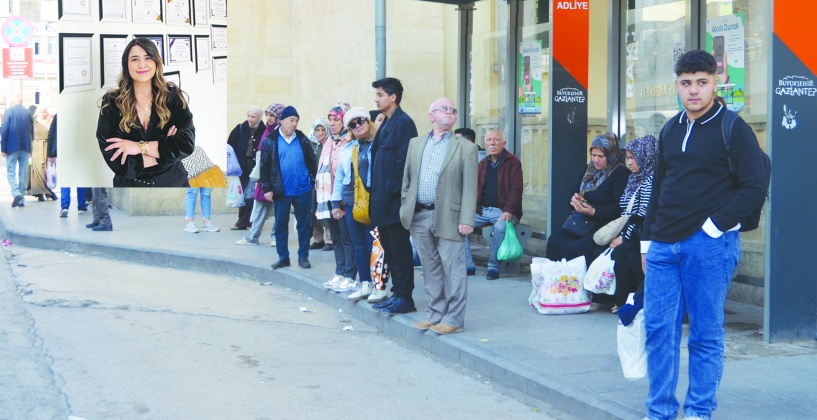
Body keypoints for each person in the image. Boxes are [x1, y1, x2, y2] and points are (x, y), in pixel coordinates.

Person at [640, 50, 767, 420]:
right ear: (676, 85)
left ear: (715, 82)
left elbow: (754, 186)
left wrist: (714, 226)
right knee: (659, 331)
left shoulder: (733, 128)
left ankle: (698, 412)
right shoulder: (670, 128)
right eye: (686, 83)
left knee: (705, 335)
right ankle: (660, 412)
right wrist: (648, 243)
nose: (693, 90)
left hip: (708, 246)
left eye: (701, 82)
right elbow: (658, 187)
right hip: (664, 246)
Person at [400, 98, 477, 334]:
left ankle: (454, 319)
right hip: (420, 215)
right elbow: (407, 180)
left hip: (450, 216)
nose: (451, 113)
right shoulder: (415, 144)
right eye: (445, 109)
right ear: (431, 115)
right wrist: (406, 207)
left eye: (454, 110)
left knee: (453, 268)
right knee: (430, 267)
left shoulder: (465, 147)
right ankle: (435, 315)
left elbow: (470, 187)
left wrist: (466, 219)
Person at [96, 38, 194, 187]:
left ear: (156, 62)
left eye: (148, 58)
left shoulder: (172, 97)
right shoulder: (112, 103)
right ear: (126, 65)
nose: (142, 64)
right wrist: (165, 152)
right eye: (135, 59)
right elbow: (118, 163)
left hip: (174, 183)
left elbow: (186, 144)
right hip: (130, 187)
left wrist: (139, 147)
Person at [368, 77, 419, 315]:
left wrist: (392, 190)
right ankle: (397, 293)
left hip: (394, 201)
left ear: (393, 97)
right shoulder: (386, 123)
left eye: (379, 94)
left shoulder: (404, 123)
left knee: (400, 249)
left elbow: (404, 162)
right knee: (389, 248)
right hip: (381, 200)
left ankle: (406, 297)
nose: (376, 98)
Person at [330, 107, 389, 302]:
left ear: (368, 121)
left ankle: (379, 285)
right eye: (352, 125)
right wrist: (334, 203)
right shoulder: (349, 148)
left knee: (374, 245)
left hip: (372, 201)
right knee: (358, 245)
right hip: (351, 202)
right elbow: (340, 176)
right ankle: (365, 283)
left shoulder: (378, 144)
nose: (357, 126)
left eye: (360, 121)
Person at [545, 133, 629, 266]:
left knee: (578, 248)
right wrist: (575, 201)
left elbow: (621, 207)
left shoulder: (620, 173)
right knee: (555, 240)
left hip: (603, 224)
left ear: (611, 155)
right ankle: (555, 282)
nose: (595, 160)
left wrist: (594, 211)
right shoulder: (588, 170)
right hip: (581, 223)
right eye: (593, 155)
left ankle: (577, 284)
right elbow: (572, 194)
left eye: (600, 156)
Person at [602, 135, 657, 312]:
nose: (630, 163)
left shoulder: (651, 180)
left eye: (634, 158)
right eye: (628, 158)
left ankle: (627, 302)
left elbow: (642, 215)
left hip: (643, 235)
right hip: (633, 232)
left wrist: (623, 238)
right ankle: (621, 300)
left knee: (624, 255)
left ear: (646, 157)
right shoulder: (635, 178)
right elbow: (626, 210)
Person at [259, 106, 317, 270]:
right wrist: (267, 188)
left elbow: (312, 160)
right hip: (281, 191)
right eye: (291, 120)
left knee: (304, 225)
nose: (294, 124)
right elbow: (264, 166)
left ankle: (303, 256)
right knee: (281, 225)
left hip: (303, 190)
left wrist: (311, 180)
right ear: (282, 121)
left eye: (296, 121)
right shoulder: (270, 140)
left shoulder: (302, 138)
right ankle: (283, 256)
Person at [471, 129, 524, 280]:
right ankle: (467, 264)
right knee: (459, 224)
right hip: (483, 211)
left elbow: (517, 189)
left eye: (496, 140)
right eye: (489, 140)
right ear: (485, 144)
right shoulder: (483, 164)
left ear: (504, 143)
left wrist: (509, 210)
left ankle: (493, 266)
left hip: (504, 211)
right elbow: (476, 189)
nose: (493, 143)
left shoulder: (512, 162)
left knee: (500, 227)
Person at [319, 103, 357, 291]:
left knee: (346, 237)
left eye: (336, 120)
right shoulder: (330, 141)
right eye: (330, 120)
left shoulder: (348, 141)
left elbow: (344, 171)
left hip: (342, 197)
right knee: (335, 236)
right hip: (328, 197)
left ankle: (350, 275)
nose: (332, 124)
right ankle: (340, 271)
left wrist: (339, 198)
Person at [235, 102, 284, 245]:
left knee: (279, 208)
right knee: (260, 206)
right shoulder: (268, 130)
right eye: (268, 115)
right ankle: (252, 237)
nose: (269, 118)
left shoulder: (281, 132)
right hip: (265, 174)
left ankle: (276, 237)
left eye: (272, 115)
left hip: (277, 176)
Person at [227, 105, 266, 229]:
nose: (250, 119)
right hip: (242, 167)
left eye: (253, 117)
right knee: (243, 194)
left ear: (259, 117)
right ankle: (242, 222)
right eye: (248, 116)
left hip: (257, 168)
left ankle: (252, 221)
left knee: (253, 196)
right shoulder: (240, 128)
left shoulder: (264, 130)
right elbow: (229, 146)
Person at [46, 114, 89, 217]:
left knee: (65, 178)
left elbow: (51, 133)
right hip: (79, 149)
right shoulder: (81, 112)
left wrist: (50, 153)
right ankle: (81, 206)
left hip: (63, 149)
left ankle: (65, 206)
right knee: (80, 178)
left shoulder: (59, 114)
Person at [2, 94, 33, 208]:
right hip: (25, 147)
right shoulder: (28, 112)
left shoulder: (9, 112)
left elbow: (4, 131)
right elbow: (32, 130)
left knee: (11, 172)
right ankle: (21, 199)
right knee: (22, 173)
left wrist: (3, 148)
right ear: (21, 101)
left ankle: (16, 194)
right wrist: (31, 147)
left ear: (12, 102)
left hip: (11, 147)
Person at [308, 118, 331, 250]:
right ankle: (318, 239)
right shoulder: (311, 145)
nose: (320, 133)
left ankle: (330, 240)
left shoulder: (330, 144)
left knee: (326, 211)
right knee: (314, 210)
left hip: (326, 183)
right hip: (313, 184)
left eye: (323, 130)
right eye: (317, 130)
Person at [30, 106, 57, 201]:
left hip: (47, 148)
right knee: (38, 171)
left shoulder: (51, 122)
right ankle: (41, 192)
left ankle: (47, 191)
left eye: (44, 112)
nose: (42, 114)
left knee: (47, 171)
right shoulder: (34, 122)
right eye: (40, 112)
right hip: (37, 148)